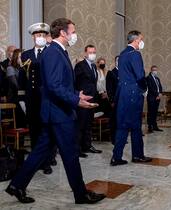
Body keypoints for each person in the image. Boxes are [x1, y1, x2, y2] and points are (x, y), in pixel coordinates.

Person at [5, 18, 106, 204]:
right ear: (63, 32)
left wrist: (77, 94)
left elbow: (61, 84)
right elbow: (53, 85)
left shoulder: (58, 51)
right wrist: (76, 100)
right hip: (59, 114)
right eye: (73, 31)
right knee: (70, 153)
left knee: (39, 152)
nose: (75, 34)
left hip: (56, 112)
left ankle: (16, 185)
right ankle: (81, 194)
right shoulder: (53, 52)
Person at [110, 30, 152, 166]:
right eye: (141, 39)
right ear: (135, 40)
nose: (142, 42)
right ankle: (138, 155)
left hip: (122, 93)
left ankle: (117, 157)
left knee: (122, 126)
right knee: (135, 126)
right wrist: (145, 88)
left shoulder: (122, 55)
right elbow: (140, 75)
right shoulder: (135, 54)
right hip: (133, 93)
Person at [21, 22, 56, 174]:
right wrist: (22, 97)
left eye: (43, 35)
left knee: (46, 130)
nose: (40, 37)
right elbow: (22, 77)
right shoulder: (25, 55)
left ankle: (46, 161)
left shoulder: (50, 52)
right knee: (34, 130)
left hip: (46, 98)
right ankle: (36, 161)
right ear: (33, 37)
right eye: (37, 35)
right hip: (32, 99)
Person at [74, 45, 102, 157]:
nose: (92, 54)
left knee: (89, 124)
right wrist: (78, 96)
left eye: (94, 52)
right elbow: (74, 82)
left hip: (92, 99)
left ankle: (87, 145)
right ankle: (78, 149)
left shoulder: (94, 67)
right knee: (81, 124)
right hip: (83, 100)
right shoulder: (80, 66)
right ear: (85, 53)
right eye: (90, 52)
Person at [6, 49, 27, 128]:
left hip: (22, 97)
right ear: (15, 58)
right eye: (20, 57)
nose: (22, 59)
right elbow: (15, 86)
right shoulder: (10, 68)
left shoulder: (23, 69)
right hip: (14, 98)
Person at [106, 56, 119, 144]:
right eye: (118, 60)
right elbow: (109, 88)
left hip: (123, 101)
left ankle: (120, 138)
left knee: (121, 120)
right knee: (114, 120)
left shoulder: (124, 73)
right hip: (115, 100)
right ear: (115, 61)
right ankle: (114, 138)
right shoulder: (111, 73)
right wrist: (111, 100)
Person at [146, 65, 163, 133]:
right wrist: (157, 94)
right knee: (151, 113)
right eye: (154, 70)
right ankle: (150, 127)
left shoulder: (157, 78)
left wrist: (160, 93)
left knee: (155, 113)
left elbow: (160, 87)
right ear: (151, 70)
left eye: (156, 70)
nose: (155, 71)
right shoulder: (148, 78)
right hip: (151, 98)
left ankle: (155, 126)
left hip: (157, 98)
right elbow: (150, 88)